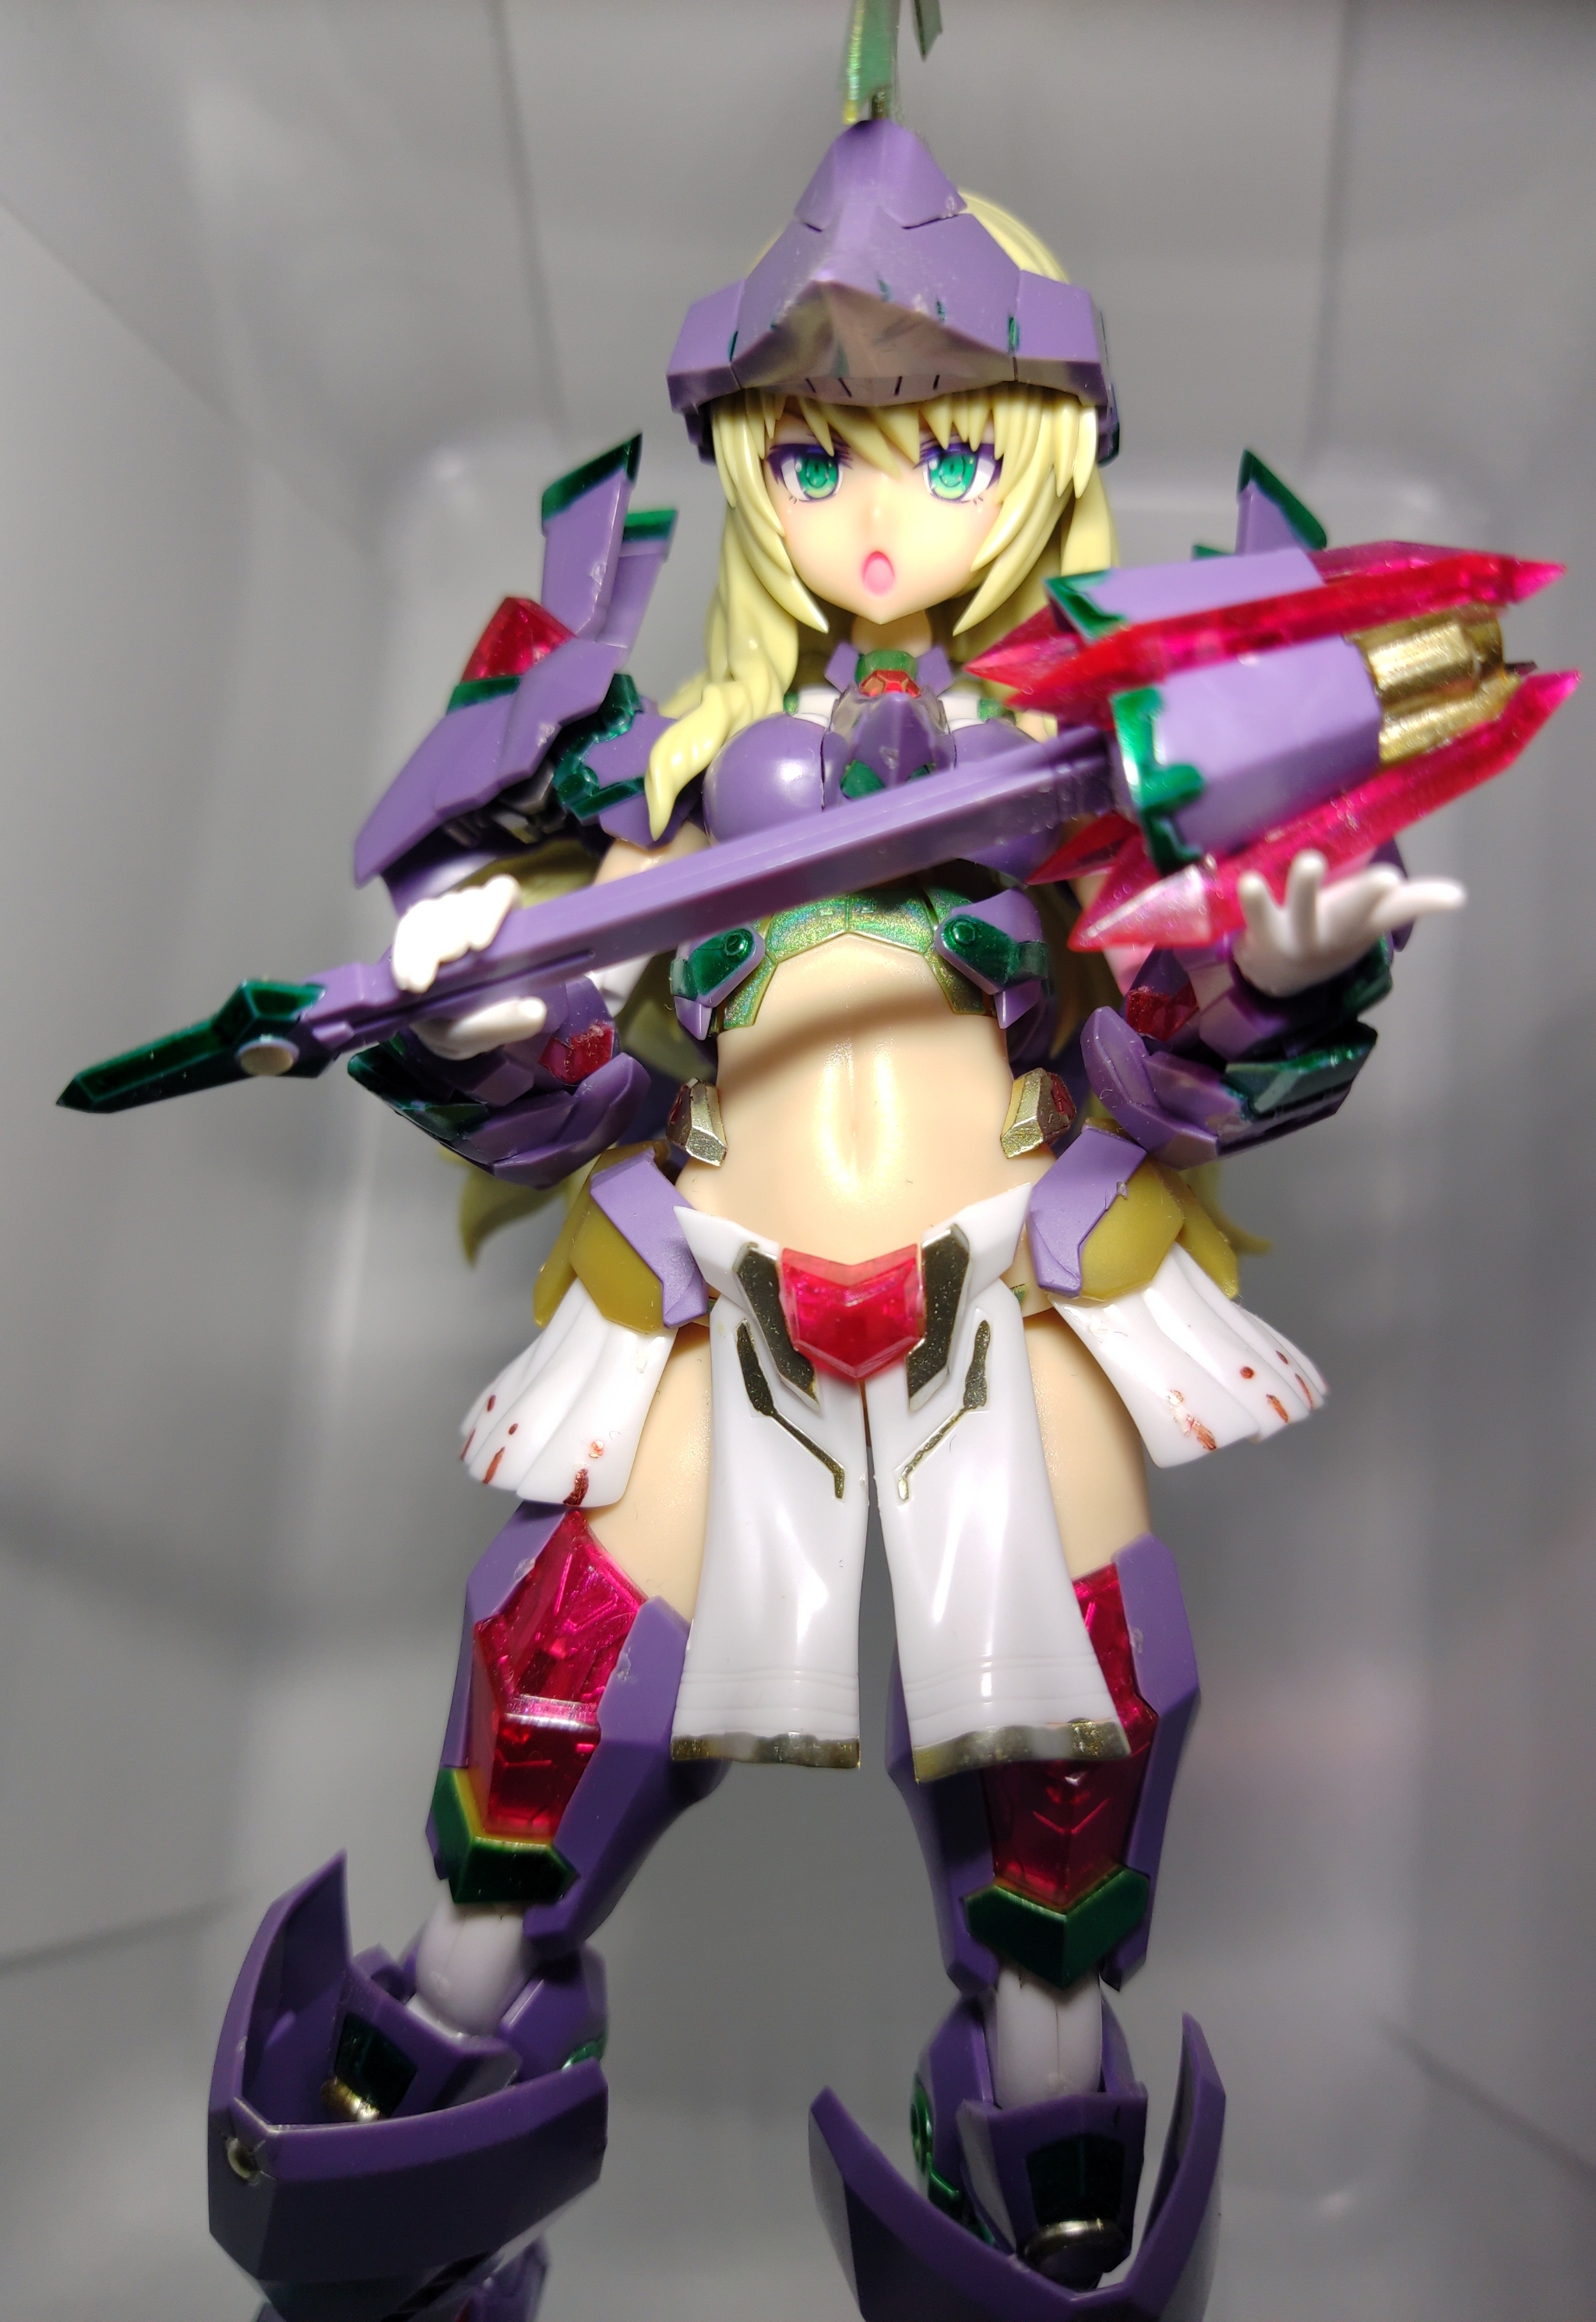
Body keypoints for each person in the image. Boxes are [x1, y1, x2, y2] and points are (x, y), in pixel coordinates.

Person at [206, 113, 1467, 2322]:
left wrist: (1265, 972)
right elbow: (574, 1089)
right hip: (718, 1294)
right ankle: (402, 2148)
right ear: (747, 471)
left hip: (1012, 1290)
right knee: (553, 1711)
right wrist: (483, 1002)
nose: (874, 512)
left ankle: (1047, 2182)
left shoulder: (1092, 769)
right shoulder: (672, 771)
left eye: (948, 454)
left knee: (1062, 1756)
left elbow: (1159, 1072)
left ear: (1044, 460)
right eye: (811, 459)